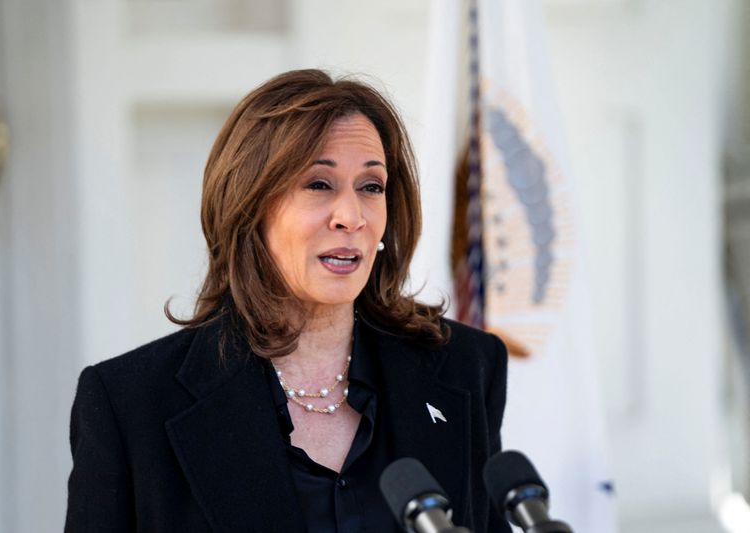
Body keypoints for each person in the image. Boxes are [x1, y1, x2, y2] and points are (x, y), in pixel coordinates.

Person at [64, 69, 510, 533]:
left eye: (371, 186)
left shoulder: (467, 367)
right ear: (249, 204)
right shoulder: (130, 405)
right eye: (319, 184)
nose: (351, 216)